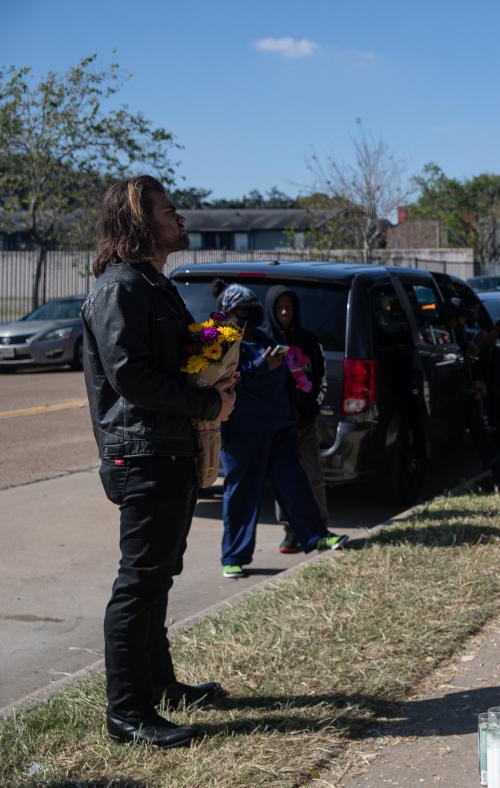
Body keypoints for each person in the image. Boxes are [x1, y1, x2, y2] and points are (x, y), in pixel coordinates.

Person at [82, 176, 237, 748]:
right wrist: (206, 401)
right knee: (139, 582)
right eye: (170, 211)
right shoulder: (121, 288)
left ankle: (161, 687)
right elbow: (132, 378)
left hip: (169, 449)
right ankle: (126, 712)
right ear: (140, 221)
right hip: (141, 454)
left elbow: (169, 362)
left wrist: (215, 368)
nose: (182, 219)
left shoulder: (153, 283)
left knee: (159, 576)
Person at [216, 282, 347, 580]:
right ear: (229, 315)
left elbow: (287, 377)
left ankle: (316, 535)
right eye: (241, 312)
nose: (249, 317)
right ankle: (233, 557)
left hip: (280, 427)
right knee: (241, 495)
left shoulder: (263, 338)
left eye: (252, 310)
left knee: (295, 485)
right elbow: (225, 379)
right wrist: (261, 366)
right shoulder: (222, 342)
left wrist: (295, 411)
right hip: (243, 433)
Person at [266, 286, 329, 553]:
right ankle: (291, 530)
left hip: (305, 422)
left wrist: (313, 407)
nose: (284, 312)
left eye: (289, 307)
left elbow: (321, 379)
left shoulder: (309, 341)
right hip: (280, 424)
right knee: (284, 479)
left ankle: (320, 526)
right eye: (279, 307)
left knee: (313, 475)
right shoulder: (265, 342)